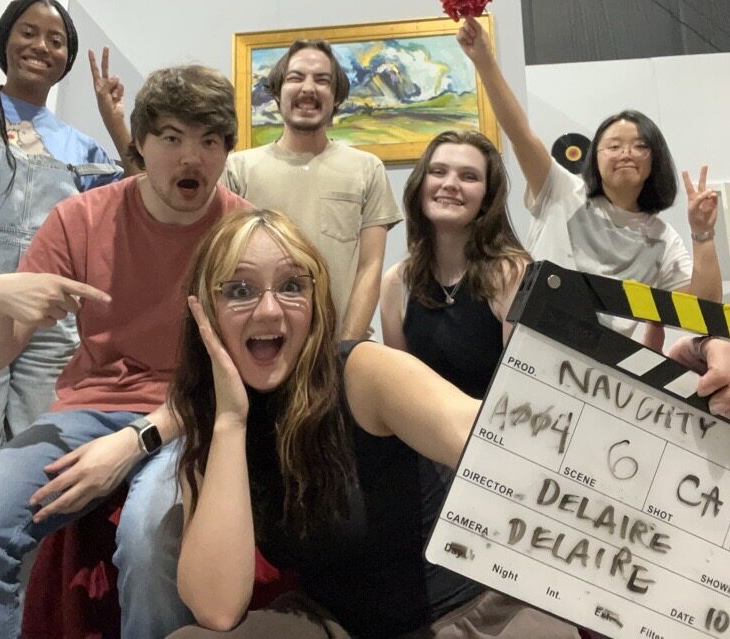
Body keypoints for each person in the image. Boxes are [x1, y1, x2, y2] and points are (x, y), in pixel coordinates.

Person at [0, 64, 250, 639]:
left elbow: (240, 377)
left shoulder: (243, 233)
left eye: (209, 142)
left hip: (193, 413)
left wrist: (136, 440)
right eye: (171, 138)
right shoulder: (81, 218)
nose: (191, 158)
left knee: (151, 543)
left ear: (226, 150)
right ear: (141, 144)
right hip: (88, 409)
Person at [166, 208, 579, 639]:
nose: (269, 310)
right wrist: (230, 421)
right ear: (204, 311)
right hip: (336, 625)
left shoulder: (362, 373)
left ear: (315, 302)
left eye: (291, 286)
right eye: (239, 290)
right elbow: (216, 608)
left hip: (466, 617)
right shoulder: (213, 422)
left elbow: (488, 439)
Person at [0, 0, 129, 520]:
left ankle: (25, 572)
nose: (41, 45)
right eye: (27, 32)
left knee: (40, 458)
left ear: (67, 59)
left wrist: (117, 125)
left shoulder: (83, 146)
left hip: (51, 309)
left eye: (56, 40)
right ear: (4, 41)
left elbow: (141, 199)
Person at [456, 17, 721, 338]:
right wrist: (484, 60)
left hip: (605, 365)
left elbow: (703, 311)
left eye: (640, 146)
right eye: (614, 145)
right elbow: (520, 133)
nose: (626, 153)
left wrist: (703, 233)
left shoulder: (662, 240)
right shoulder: (561, 190)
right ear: (594, 157)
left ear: (656, 161)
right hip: (532, 349)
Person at [223, 39, 402, 339]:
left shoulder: (367, 169)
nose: (308, 88)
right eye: (296, 78)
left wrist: (347, 345)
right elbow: (225, 266)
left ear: (336, 97)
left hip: (339, 346)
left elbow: (369, 267)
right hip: (262, 342)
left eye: (322, 80)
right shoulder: (237, 169)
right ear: (277, 93)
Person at [380, 129, 529, 397]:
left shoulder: (513, 275)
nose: (450, 184)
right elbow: (398, 394)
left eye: (469, 176)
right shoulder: (396, 282)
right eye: (438, 172)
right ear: (420, 185)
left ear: (487, 198)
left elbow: (520, 394)